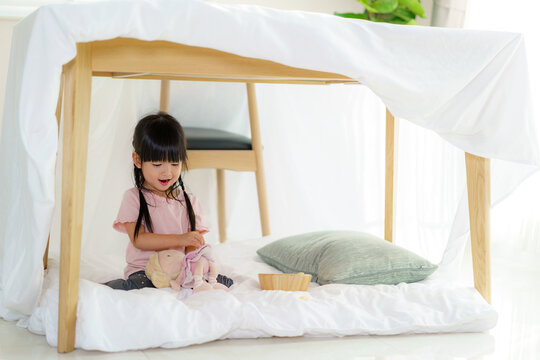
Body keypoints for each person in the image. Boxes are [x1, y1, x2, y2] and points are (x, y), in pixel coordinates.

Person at [104, 112, 233, 290]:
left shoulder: (189, 202)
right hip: (146, 270)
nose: (167, 173)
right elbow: (139, 240)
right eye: (157, 165)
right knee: (140, 285)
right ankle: (104, 287)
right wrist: (181, 239)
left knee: (221, 281)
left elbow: (191, 247)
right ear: (138, 160)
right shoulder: (133, 198)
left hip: (179, 272)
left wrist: (195, 266)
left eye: (174, 164)